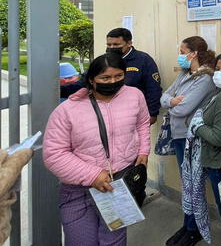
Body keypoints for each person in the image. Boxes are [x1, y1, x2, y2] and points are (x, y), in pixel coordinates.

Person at [44, 53, 150, 246]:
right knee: (81, 241)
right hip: (79, 191)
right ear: (91, 80)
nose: (113, 82)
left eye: (119, 76)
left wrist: (143, 150)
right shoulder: (67, 110)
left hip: (119, 184)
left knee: (115, 240)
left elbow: (142, 123)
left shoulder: (135, 95)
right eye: (105, 78)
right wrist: (93, 175)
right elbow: (54, 154)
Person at [172, 52, 221, 246]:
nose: (218, 73)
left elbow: (218, 137)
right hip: (217, 162)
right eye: (217, 69)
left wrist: (196, 126)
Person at [163, 36, 216, 246]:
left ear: (193, 53)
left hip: (191, 139)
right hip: (178, 135)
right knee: (187, 184)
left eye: (183, 50)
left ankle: (195, 229)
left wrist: (172, 104)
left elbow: (183, 109)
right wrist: (171, 101)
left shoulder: (205, 79)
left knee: (194, 186)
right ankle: (188, 225)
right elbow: (164, 95)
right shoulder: (186, 74)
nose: (180, 54)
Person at [61, 28, 163, 123]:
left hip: (134, 114)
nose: (112, 48)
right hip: (106, 113)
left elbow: (153, 89)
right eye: (109, 45)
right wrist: (60, 91)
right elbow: (84, 83)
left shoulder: (143, 60)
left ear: (129, 43)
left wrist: (152, 113)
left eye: (116, 45)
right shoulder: (104, 61)